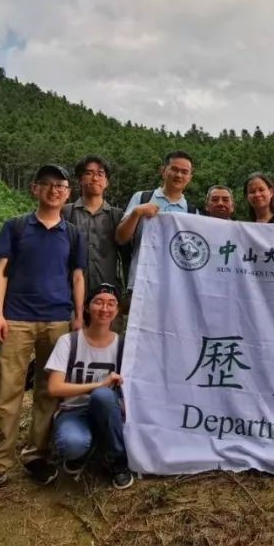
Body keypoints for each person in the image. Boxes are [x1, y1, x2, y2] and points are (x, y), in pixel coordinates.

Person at [0, 164, 87, 497]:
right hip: (18, 319)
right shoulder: (17, 226)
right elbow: (0, 272)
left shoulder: (73, 233)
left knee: (49, 391)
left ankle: (36, 454)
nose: (54, 190)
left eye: (61, 186)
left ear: (68, 194)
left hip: (58, 320)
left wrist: (78, 316)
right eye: (48, 184)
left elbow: (78, 276)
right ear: (35, 189)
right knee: (7, 391)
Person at [45, 283, 133, 489]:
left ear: (117, 310)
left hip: (109, 411)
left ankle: (117, 462)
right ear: (86, 307)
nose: (105, 309)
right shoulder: (69, 341)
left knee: (103, 396)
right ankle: (86, 450)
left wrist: (103, 389)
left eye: (111, 304)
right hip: (73, 411)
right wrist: (97, 384)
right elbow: (54, 388)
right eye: (99, 302)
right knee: (72, 444)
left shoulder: (123, 346)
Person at [115, 150, 198, 291]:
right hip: (140, 283)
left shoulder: (192, 212)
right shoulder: (141, 198)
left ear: (190, 177)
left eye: (184, 172)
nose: (179, 175)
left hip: (176, 288)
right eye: (174, 169)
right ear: (163, 171)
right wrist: (137, 213)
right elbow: (120, 238)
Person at [62, 155, 126, 293]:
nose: (95, 178)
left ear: (106, 181)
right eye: (88, 173)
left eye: (100, 174)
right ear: (80, 179)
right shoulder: (65, 212)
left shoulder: (117, 215)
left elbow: (126, 257)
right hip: (69, 292)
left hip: (107, 297)